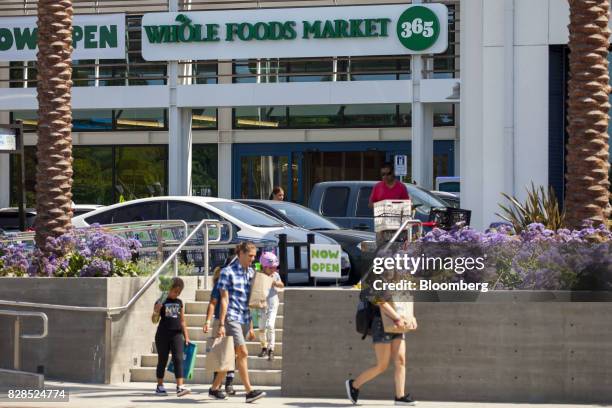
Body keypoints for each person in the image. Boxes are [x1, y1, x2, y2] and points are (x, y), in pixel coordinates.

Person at [211, 242, 266, 403]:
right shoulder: (227, 272)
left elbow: (249, 301)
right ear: (240, 254)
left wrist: (250, 325)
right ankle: (249, 392)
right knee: (243, 353)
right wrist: (221, 324)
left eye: (254, 256)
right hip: (231, 317)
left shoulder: (250, 273)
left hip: (243, 318)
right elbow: (224, 299)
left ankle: (214, 388)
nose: (253, 259)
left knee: (231, 356)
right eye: (250, 256)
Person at [345, 300, 417, 406]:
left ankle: (400, 397)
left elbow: (404, 299)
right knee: (382, 365)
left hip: (399, 321)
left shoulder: (399, 282)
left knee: (401, 361)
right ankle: (354, 384)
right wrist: (397, 318)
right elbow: (379, 301)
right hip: (382, 323)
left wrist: (411, 317)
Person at [152, 277, 191, 397]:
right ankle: (160, 386)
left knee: (178, 359)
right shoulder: (161, 301)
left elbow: (183, 321)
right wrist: (156, 311)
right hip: (163, 335)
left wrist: (187, 336)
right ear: (168, 289)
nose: (176, 294)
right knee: (162, 360)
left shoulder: (179, 302)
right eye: (175, 291)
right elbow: (154, 320)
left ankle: (180, 387)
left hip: (177, 334)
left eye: (179, 293)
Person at [203, 266, 235, 399]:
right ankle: (218, 385)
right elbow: (212, 303)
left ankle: (228, 383)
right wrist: (207, 321)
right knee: (220, 354)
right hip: (220, 322)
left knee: (233, 354)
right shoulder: (219, 285)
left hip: (234, 321)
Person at [256, 252, 284, 361]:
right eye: (271, 268)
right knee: (262, 327)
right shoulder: (259, 274)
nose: (273, 270)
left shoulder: (275, 275)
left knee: (270, 325)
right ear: (264, 267)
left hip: (273, 303)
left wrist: (275, 283)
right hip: (262, 304)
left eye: (275, 268)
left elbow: (282, 284)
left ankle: (271, 349)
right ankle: (263, 347)